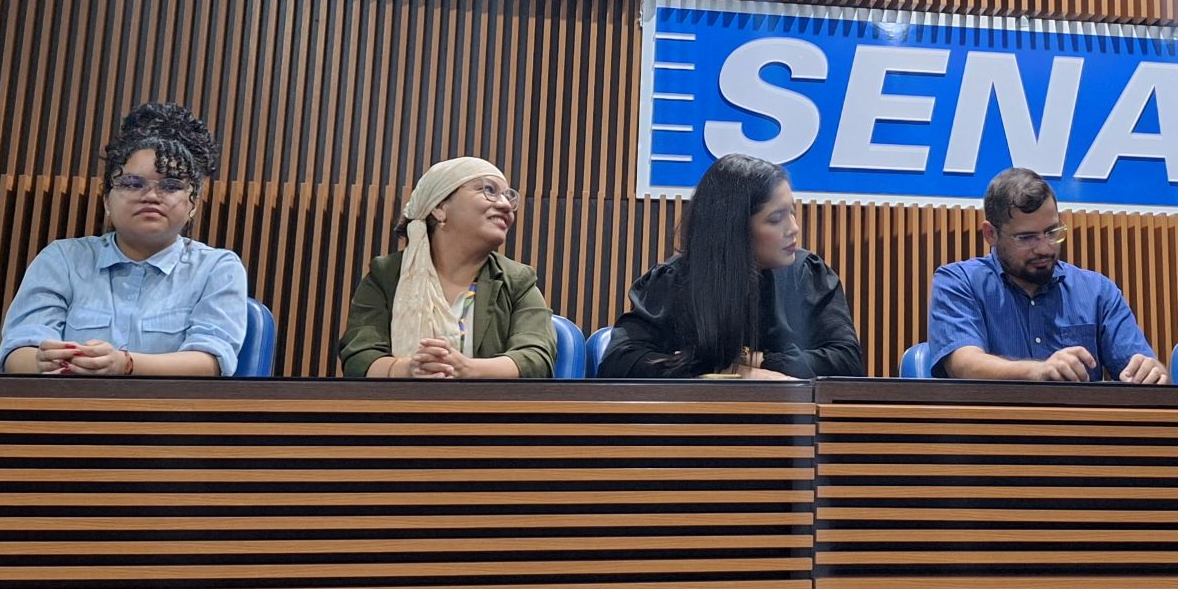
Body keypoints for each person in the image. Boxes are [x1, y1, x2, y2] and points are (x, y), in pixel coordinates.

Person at [0, 102, 249, 377]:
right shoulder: (63, 259)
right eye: (132, 184)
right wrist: (42, 361)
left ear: (193, 204)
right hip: (67, 401)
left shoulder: (217, 268)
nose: (150, 196)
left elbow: (211, 363)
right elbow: (16, 353)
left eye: (170, 186)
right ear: (107, 199)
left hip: (171, 405)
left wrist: (125, 364)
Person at [598, 154, 860, 379]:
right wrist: (719, 370)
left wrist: (757, 362)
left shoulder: (809, 274)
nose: (794, 228)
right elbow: (619, 362)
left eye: (791, 212)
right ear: (734, 228)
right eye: (776, 219)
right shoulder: (672, 280)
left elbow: (847, 362)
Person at [928, 168, 1167, 383]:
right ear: (990, 234)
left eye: (1052, 232)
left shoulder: (1098, 291)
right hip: (992, 419)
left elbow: (1139, 367)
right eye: (1026, 237)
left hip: (1079, 418)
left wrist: (1152, 372)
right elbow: (964, 365)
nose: (1044, 248)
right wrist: (1038, 371)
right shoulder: (959, 282)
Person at [337, 156, 554, 379]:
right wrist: (410, 369)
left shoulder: (517, 280)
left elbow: (536, 359)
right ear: (439, 207)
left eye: (508, 197)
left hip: (489, 402)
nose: (505, 205)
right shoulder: (386, 275)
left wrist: (466, 369)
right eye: (489, 190)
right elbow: (359, 358)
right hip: (400, 401)